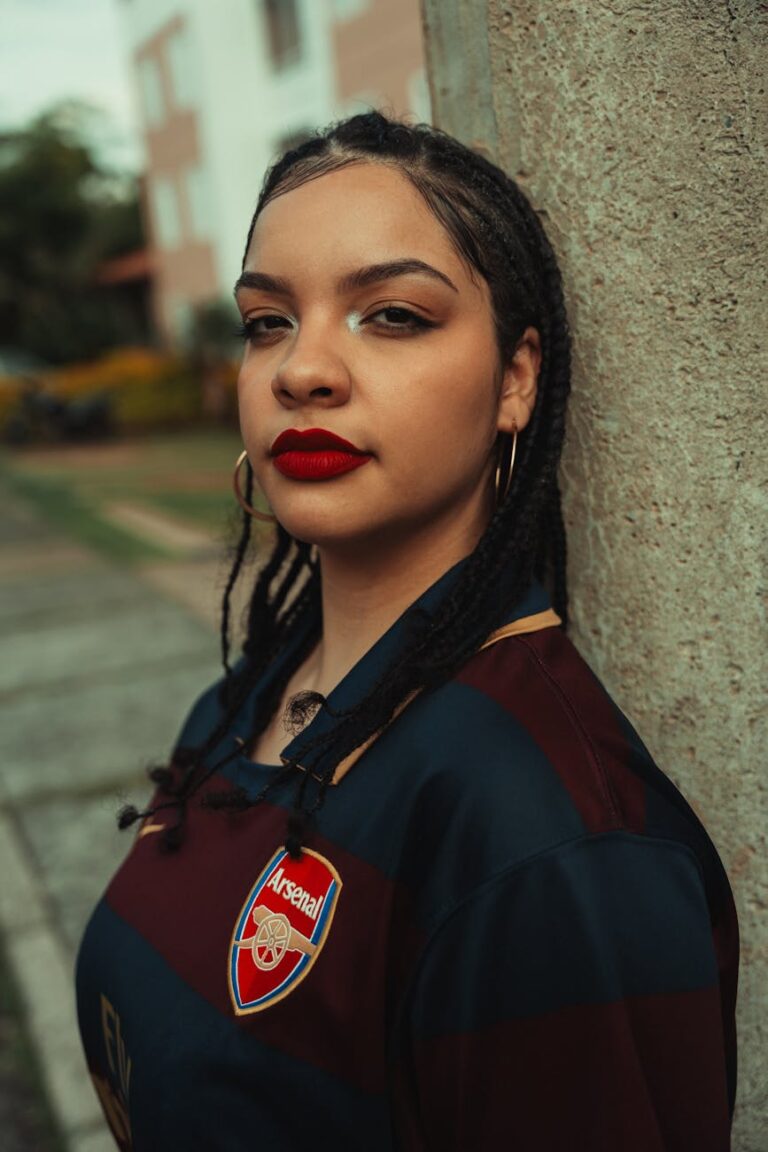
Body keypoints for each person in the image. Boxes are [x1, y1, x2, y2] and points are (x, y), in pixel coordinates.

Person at [75, 111, 739, 1151]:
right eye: (266, 322)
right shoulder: (252, 691)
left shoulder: (549, 836)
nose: (303, 371)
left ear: (515, 379)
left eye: (390, 315)